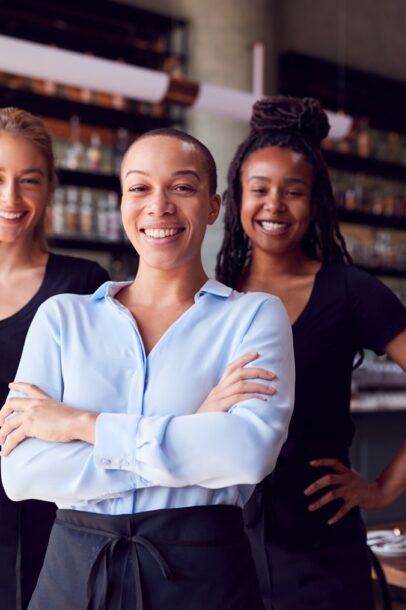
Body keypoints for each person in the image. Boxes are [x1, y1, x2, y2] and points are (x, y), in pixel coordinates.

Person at [0, 128, 295, 610]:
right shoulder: (63, 317)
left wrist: (82, 425)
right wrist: (192, 434)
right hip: (74, 573)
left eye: (182, 187)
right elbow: (21, 473)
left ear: (214, 206)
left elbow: (247, 455)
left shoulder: (255, 316)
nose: (159, 206)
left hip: (204, 575)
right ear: (122, 204)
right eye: (140, 188)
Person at [216, 96, 406, 610]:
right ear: (235, 200)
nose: (274, 205)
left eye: (293, 192)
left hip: (321, 549)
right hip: (224, 546)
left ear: (314, 205)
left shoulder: (349, 290)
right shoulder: (213, 294)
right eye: (259, 189)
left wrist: (382, 489)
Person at [0, 106, 109, 609]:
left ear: (49, 189)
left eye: (29, 180)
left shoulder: (82, 284)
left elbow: (121, 395)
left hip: (49, 518)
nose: (11, 198)